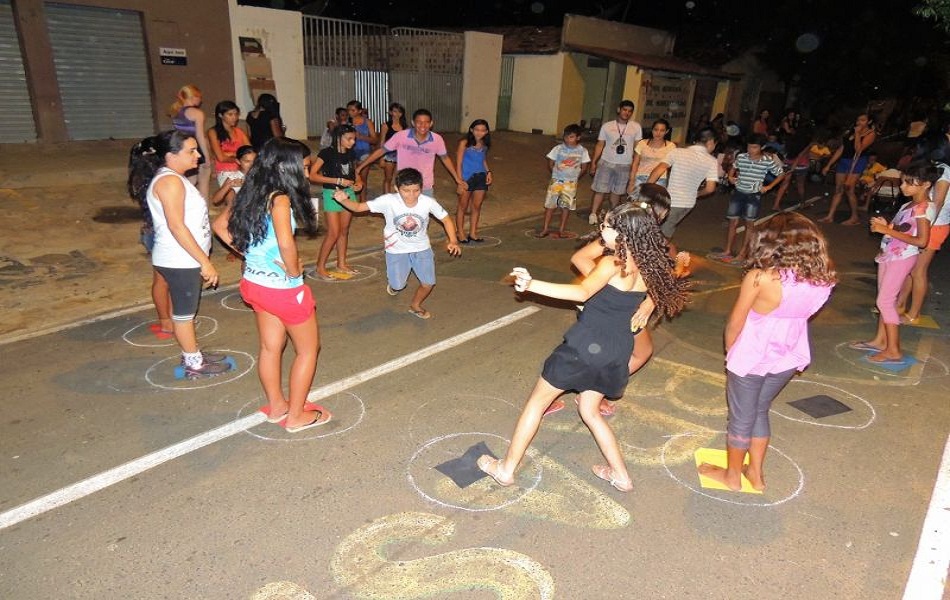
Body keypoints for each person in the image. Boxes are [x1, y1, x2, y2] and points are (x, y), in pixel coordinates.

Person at [477, 202, 689, 492]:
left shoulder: (612, 262)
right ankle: (621, 476)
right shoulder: (649, 264)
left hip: (586, 346)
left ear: (624, 234)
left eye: (609, 226)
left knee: (536, 403)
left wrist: (531, 284)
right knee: (589, 410)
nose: (603, 230)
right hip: (616, 349)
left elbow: (582, 291)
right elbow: (624, 296)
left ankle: (505, 469)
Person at [698, 213, 836, 491]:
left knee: (740, 416)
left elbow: (736, 322)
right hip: (790, 352)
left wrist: (730, 353)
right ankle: (756, 474)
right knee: (760, 409)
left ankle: (733, 476)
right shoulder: (824, 278)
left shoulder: (760, 277)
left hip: (751, 353)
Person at [212, 138, 328, 432]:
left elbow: (219, 226)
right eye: (302, 166)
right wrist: (293, 273)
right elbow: (287, 244)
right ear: (284, 166)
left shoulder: (251, 190)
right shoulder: (280, 199)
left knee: (270, 347)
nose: (305, 172)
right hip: (281, 289)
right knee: (308, 350)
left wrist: (248, 255)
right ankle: (297, 415)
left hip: (253, 283)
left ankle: (277, 406)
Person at [545, 184, 673, 418]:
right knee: (584, 355)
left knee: (636, 353)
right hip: (610, 306)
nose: (661, 218)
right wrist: (604, 285)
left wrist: (650, 302)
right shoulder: (617, 232)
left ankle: (594, 393)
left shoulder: (651, 241)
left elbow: (660, 276)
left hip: (628, 309)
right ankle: (551, 397)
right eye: (659, 212)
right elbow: (580, 257)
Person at [128, 130, 228, 377]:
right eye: (191, 151)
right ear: (171, 156)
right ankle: (193, 362)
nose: (198, 155)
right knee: (184, 314)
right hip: (180, 258)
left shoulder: (174, 178)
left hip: (182, 257)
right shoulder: (169, 181)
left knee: (186, 310)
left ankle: (193, 352)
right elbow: (176, 226)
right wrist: (204, 262)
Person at [333, 168, 461, 319]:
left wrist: (453, 240)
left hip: (422, 249)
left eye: (416, 190)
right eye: (406, 191)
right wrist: (343, 200)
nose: (411, 195)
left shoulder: (428, 202)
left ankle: (415, 306)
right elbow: (360, 207)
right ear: (396, 188)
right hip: (396, 250)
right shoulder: (388, 200)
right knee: (398, 285)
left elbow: (446, 219)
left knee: (428, 283)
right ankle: (394, 286)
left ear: (421, 188)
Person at [849, 162, 938, 363]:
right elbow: (904, 228)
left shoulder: (923, 208)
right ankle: (880, 341)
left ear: (926, 184)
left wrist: (887, 231)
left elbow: (922, 241)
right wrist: (886, 226)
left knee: (885, 301)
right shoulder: (910, 205)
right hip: (890, 254)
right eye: (903, 182)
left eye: (909, 183)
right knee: (884, 299)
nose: (903, 187)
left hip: (903, 257)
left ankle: (894, 350)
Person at [897, 132, 950, 322]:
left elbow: (938, 202)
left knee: (918, 271)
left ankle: (914, 314)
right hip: (927, 223)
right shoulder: (936, 167)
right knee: (911, 268)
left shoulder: (944, 171)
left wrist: (923, 228)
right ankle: (901, 304)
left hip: (934, 225)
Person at [356, 108, 465, 197]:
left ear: (431, 123)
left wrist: (457, 179)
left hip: (425, 185)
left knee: (422, 220)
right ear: (413, 123)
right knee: (403, 219)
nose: (423, 125)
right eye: (419, 122)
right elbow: (381, 151)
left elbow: (445, 158)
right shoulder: (401, 136)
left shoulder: (437, 139)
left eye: (426, 122)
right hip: (404, 185)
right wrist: (361, 166)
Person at [647, 127, 719, 255]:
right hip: (688, 204)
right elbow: (710, 188)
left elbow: (659, 169)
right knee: (663, 233)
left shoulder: (677, 152)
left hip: (671, 202)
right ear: (710, 142)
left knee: (660, 236)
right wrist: (697, 194)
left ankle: (672, 264)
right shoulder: (712, 161)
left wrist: (646, 189)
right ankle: (664, 262)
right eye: (715, 144)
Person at [714, 134, 784, 262]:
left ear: (762, 147)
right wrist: (730, 177)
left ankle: (742, 253)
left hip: (753, 196)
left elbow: (780, 174)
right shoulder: (742, 157)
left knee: (749, 225)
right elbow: (733, 167)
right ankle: (728, 250)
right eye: (749, 147)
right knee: (732, 223)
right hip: (738, 193)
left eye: (754, 147)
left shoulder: (767, 161)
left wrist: (769, 187)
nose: (751, 150)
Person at [309, 124, 363, 281]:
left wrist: (358, 183)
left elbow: (356, 173)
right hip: (331, 193)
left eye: (354, 139)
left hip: (348, 193)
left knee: (344, 230)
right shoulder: (327, 153)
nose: (352, 142)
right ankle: (320, 266)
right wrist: (337, 180)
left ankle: (342, 263)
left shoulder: (351, 153)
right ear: (339, 138)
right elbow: (313, 175)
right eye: (349, 139)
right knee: (333, 232)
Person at [588, 100, 643, 225]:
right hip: (606, 162)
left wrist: (636, 165)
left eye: (630, 111)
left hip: (625, 164)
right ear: (619, 110)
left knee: (617, 192)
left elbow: (637, 147)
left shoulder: (636, 127)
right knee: (600, 189)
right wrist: (594, 162)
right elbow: (600, 144)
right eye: (624, 110)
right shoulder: (607, 126)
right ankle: (593, 214)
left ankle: (612, 215)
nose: (627, 113)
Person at [819, 113, 878, 225]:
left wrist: (857, 133)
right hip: (844, 161)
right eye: (858, 119)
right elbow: (842, 149)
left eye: (863, 120)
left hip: (857, 162)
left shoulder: (870, 134)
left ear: (869, 122)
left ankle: (855, 217)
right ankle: (830, 216)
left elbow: (858, 149)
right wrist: (829, 165)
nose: (859, 122)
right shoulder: (851, 131)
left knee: (849, 189)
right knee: (838, 189)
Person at [537, 123, 591, 239]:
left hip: (570, 183)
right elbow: (550, 162)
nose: (567, 139)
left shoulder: (582, 151)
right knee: (550, 205)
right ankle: (545, 228)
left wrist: (575, 177)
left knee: (566, 207)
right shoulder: (558, 148)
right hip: (556, 181)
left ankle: (561, 230)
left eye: (571, 137)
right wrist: (555, 174)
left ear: (578, 137)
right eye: (566, 136)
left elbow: (584, 167)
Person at [169, 84, 211, 201]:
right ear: (193, 97)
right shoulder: (197, 113)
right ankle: (204, 213)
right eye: (199, 97)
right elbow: (200, 136)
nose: (200, 100)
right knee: (203, 183)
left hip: (181, 148)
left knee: (189, 180)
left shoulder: (176, 112)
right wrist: (207, 157)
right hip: (195, 149)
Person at [455, 119, 492, 243]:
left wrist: (488, 172)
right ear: (471, 130)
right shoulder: (464, 143)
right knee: (462, 207)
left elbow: (482, 160)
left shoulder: (484, 144)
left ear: (486, 131)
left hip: (481, 177)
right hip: (467, 178)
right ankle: (460, 232)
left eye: (482, 130)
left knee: (476, 206)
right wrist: (460, 181)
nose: (479, 133)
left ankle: (473, 233)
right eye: (477, 130)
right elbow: (459, 163)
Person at [207, 100, 252, 190]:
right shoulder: (213, 132)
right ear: (220, 115)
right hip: (226, 170)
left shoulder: (240, 131)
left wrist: (230, 153)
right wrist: (239, 155)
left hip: (243, 170)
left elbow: (250, 153)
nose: (234, 117)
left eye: (236, 114)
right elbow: (221, 158)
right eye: (230, 114)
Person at [626, 119, 675, 192]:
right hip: (640, 177)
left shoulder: (671, 146)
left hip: (660, 179)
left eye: (662, 130)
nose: (658, 133)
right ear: (652, 130)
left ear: (666, 131)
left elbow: (673, 166)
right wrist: (631, 182)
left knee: (655, 203)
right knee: (637, 202)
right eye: (656, 129)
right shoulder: (642, 143)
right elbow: (635, 164)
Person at [347, 100, 377, 202]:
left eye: (353, 110)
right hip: (350, 152)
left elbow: (374, 139)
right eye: (349, 110)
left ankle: (363, 200)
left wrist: (361, 137)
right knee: (351, 177)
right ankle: (351, 199)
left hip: (364, 151)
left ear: (359, 111)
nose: (350, 112)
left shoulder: (367, 122)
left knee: (363, 177)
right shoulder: (347, 123)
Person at [210, 145, 256, 209]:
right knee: (230, 192)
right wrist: (229, 185)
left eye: (254, 161)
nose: (252, 164)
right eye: (247, 161)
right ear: (238, 161)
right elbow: (215, 200)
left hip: (257, 208)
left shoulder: (260, 174)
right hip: (240, 209)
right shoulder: (234, 177)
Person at [378, 103, 407, 193]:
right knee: (388, 178)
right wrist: (381, 158)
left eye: (399, 112)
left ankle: (397, 198)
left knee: (399, 178)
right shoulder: (386, 126)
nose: (397, 114)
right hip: (389, 154)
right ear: (390, 112)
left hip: (401, 155)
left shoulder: (404, 126)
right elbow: (382, 142)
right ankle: (386, 199)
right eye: (395, 111)